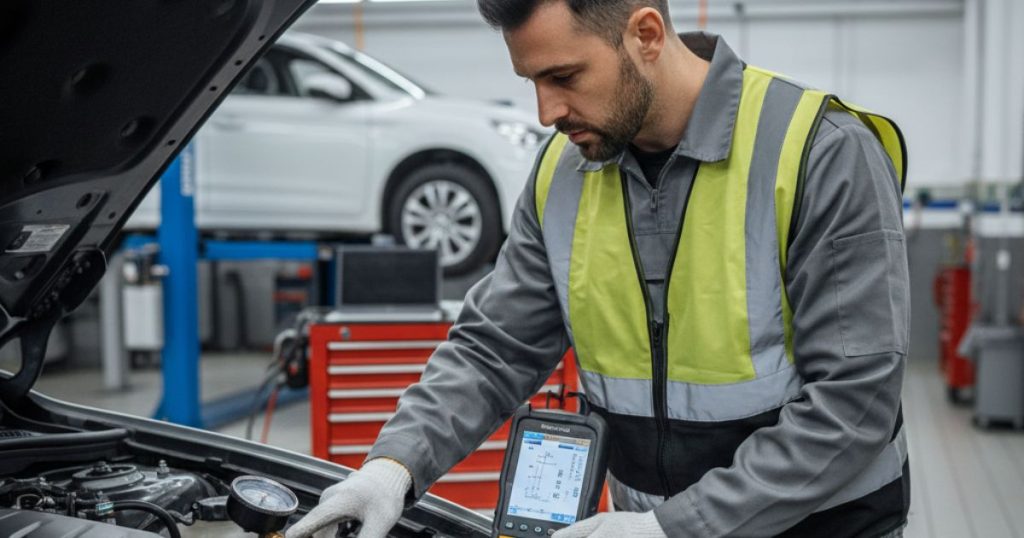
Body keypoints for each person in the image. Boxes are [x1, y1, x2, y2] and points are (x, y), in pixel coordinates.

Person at [287, 1, 911, 536]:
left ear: (645, 35)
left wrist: (675, 528)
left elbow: (853, 404)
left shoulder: (821, 153)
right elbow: (493, 349)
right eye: (532, 80)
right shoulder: (561, 173)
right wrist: (392, 467)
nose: (545, 111)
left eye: (564, 75)